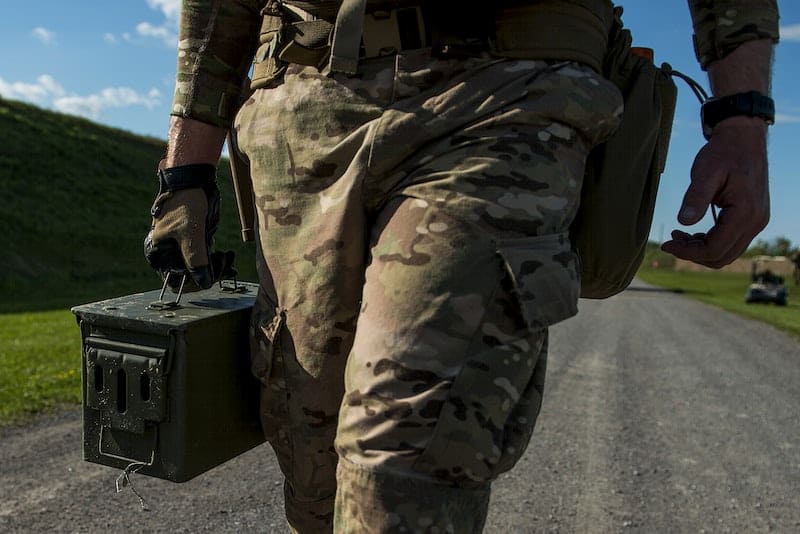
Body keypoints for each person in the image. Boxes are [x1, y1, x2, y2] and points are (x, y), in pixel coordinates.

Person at [144, 1, 779, 531]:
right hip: (300, 105)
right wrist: (185, 168)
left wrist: (742, 119)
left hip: (507, 92)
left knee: (403, 462)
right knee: (312, 466)